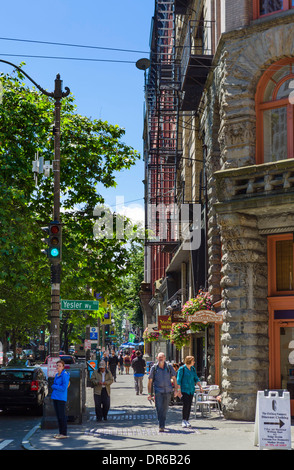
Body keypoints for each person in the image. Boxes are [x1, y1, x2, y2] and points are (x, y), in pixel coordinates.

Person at [148, 352, 180, 432]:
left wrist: (176, 390)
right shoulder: (154, 368)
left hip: (168, 391)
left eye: (162, 357)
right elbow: (150, 381)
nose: (161, 358)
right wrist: (149, 394)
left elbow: (174, 378)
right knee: (159, 408)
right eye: (159, 357)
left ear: (165, 358)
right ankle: (161, 425)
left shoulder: (169, 367)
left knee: (165, 408)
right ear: (157, 358)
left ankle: (162, 421)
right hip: (158, 391)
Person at [177, 356, 203, 428]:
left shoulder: (192, 369)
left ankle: (187, 420)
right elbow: (178, 380)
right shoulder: (182, 369)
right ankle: (183, 420)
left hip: (191, 390)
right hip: (184, 390)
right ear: (189, 361)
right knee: (185, 405)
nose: (194, 362)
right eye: (193, 361)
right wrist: (179, 390)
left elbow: (196, 378)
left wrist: (200, 386)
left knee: (189, 405)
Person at [51, 360, 70, 439]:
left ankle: (64, 433)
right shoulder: (56, 375)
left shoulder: (64, 375)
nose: (58, 367)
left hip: (61, 398)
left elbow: (63, 387)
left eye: (59, 366)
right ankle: (60, 432)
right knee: (58, 416)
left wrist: (55, 387)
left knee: (62, 416)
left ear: (63, 367)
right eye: (57, 365)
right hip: (55, 397)